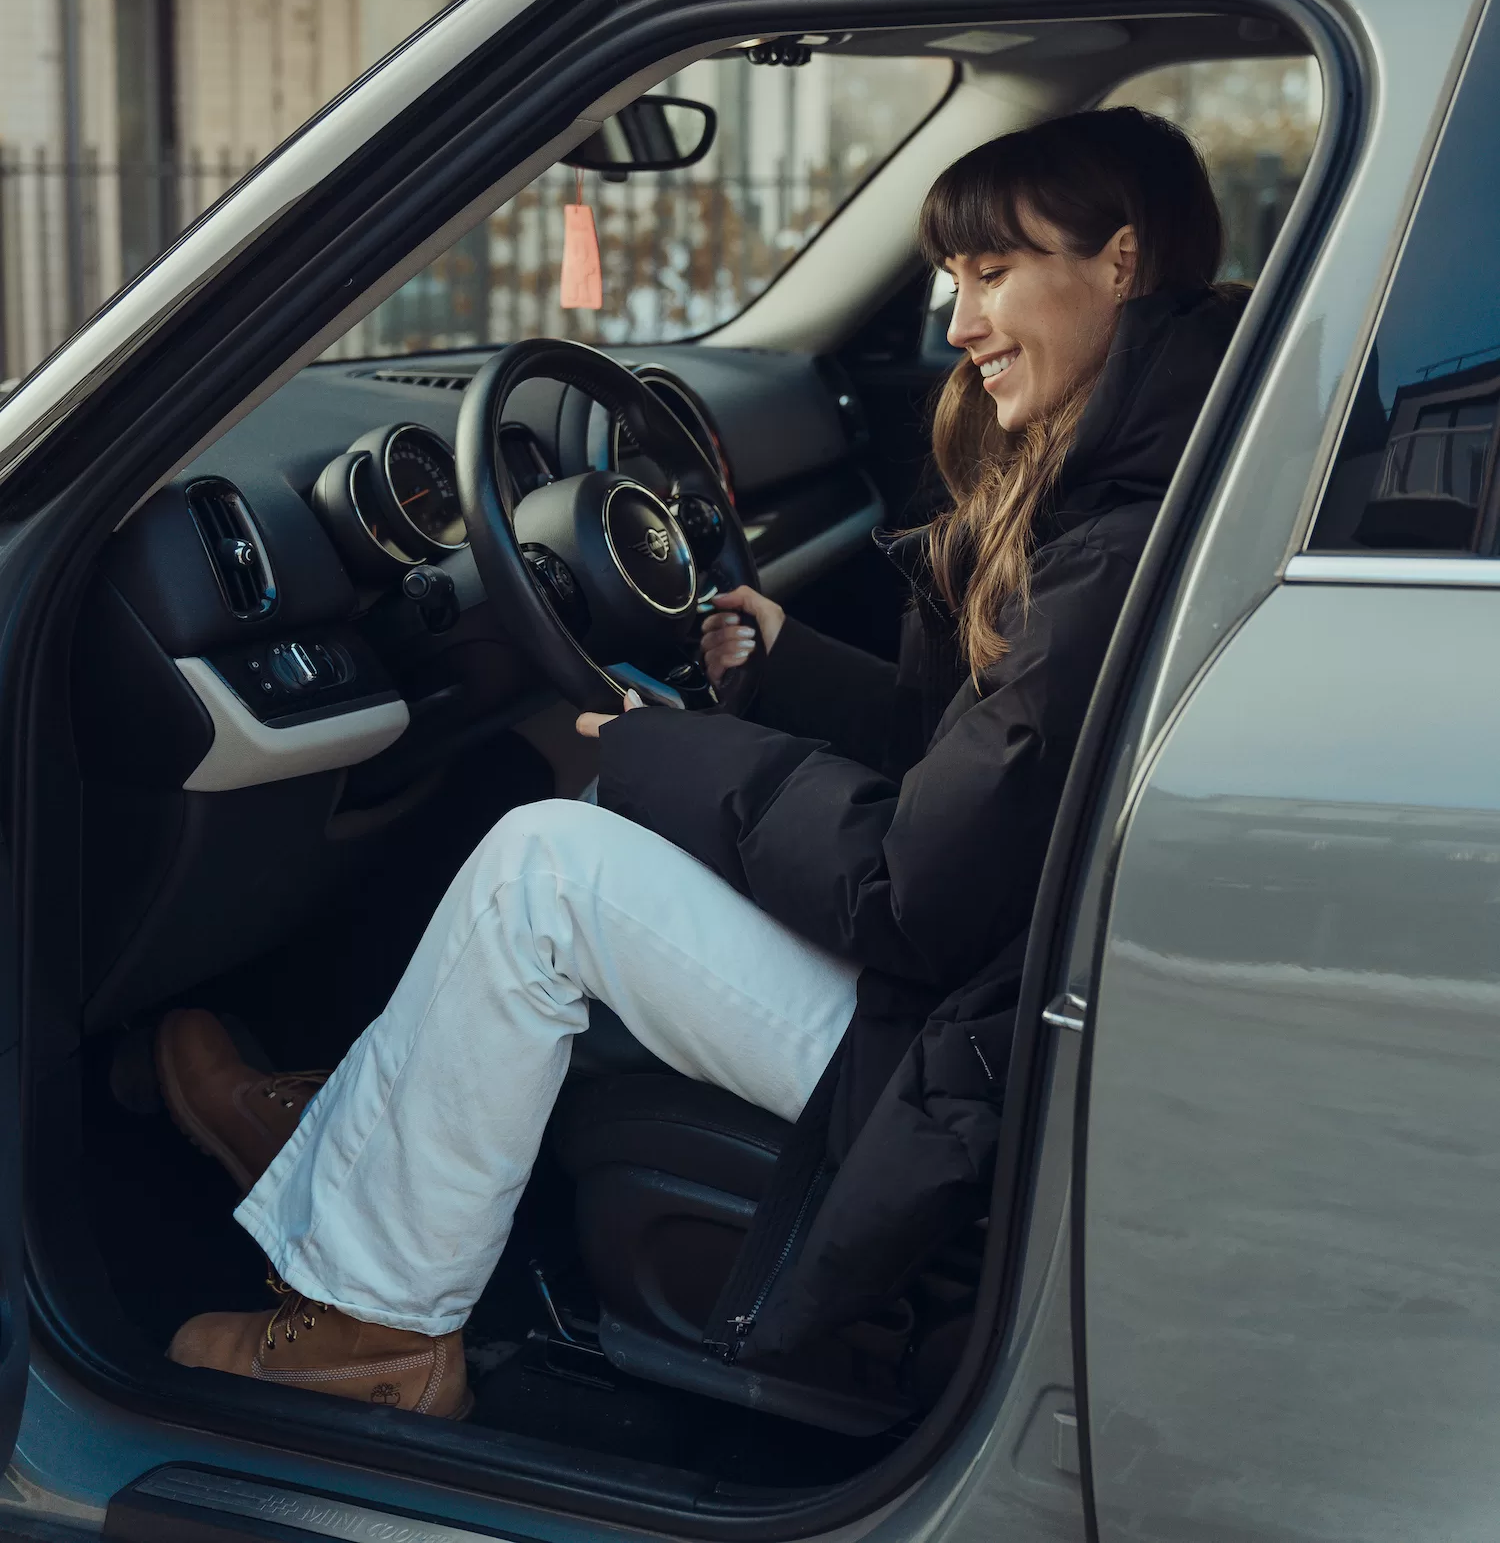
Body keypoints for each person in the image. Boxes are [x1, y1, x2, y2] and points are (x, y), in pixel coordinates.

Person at [160, 106, 1243, 1420]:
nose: (959, 325)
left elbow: (912, 893)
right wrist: (787, 671)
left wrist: (672, 748)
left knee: (545, 868)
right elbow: (984, 765)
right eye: (952, 281)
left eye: (993, 273)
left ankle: (374, 1329)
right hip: (992, 995)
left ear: (1120, 261)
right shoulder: (1153, 478)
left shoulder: (1111, 542)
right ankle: (359, 1135)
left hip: (959, 1046)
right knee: (605, 813)